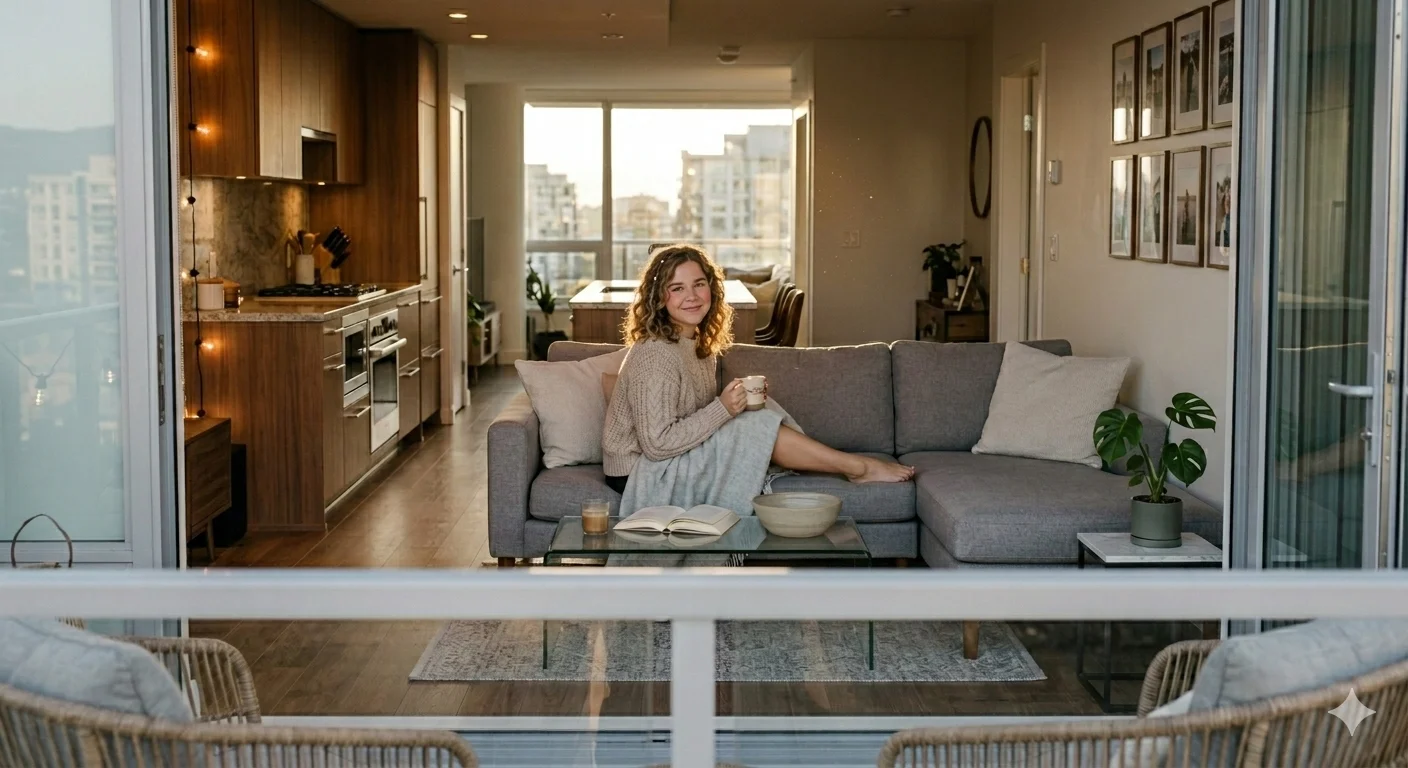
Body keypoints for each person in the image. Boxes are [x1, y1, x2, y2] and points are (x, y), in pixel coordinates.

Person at [601, 244, 914, 496]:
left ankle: (844, 465)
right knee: (754, 426)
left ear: (712, 287)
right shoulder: (655, 352)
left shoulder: (695, 343)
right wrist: (724, 408)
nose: (692, 296)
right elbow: (657, 445)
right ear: (659, 298)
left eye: (699, 284)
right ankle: (857, 468)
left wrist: (735, 404)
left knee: (754, 415)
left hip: (670, 458)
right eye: (677, 288)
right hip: (637, 472)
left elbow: (692, 417)